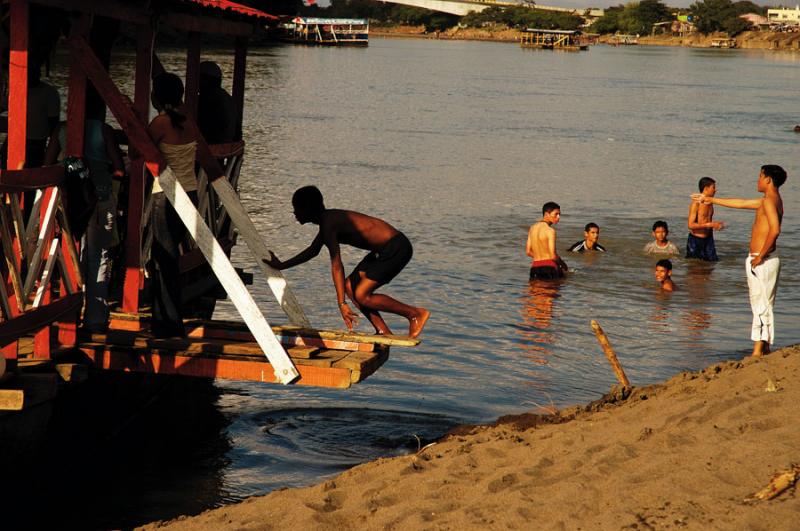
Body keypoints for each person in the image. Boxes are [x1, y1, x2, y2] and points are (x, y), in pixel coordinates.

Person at [263, 186, 430, 338]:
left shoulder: (329, 223)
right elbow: (312, 251)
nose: (294, 213)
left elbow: (337, 265)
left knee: (362, 294)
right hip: (384, 249)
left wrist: (341, 303)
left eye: (296, 208)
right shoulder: (327, 221)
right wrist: (281, 265)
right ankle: (383, 331)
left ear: (307, 209)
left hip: (396, 247)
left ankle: (414, 314)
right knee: (350, 286)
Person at [43, 95, 125, 332]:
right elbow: (119, 168)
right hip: (100, 198)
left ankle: (68, 317)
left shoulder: (61, 130)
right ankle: (95, 318)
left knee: (70, 255)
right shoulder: (104, 130)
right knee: (98, 257)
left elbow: (48, 165)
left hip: (69, 201)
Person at [691, 165, 786, 357]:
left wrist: (760, 255)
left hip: (763, 259)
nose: (757, 179)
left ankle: (758, 350)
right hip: (765, 259)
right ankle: (764, 345)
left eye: (760, 176)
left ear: (768, 179)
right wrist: (710, 199)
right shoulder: (769, 200)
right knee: (763, 304)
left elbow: (775, 230)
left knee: (760, 304)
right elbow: (741, 203)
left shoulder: (769, 201)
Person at [146, 72, 200, 338]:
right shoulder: (189, 123)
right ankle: (166, 320)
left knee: (163, 259)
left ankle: (168, 324)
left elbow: (137, 151)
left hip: (167, 195)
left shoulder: (160, 123)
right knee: (170, 258)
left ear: (157, 96)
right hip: (191, 192)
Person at [197, 61, 237, 144]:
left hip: (212, 147)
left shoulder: (208, 98)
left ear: (204, 80)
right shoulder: (225, 96)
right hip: (224, 145)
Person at [526, 202, 568, 280]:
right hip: (549, 267)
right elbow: (552, 255)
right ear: (547, 214)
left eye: (559, 214)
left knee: (535, 291)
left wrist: (540, 258)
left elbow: (528, 252)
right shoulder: (550, 231)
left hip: (534, 267)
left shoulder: (532, 228)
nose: (558, 217)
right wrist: (563, 264)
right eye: (556, 214)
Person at [686, 177, 724, 261]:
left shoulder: (710, 202)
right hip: (696, 240)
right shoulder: (696, 204)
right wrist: (709, 224)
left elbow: (707, 220)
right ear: (706, 188)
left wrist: (717, 225)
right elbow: (690, 225)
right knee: (694, 266)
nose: (715, 190)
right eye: (713, 187)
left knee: (711, 265)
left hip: (709, 239)